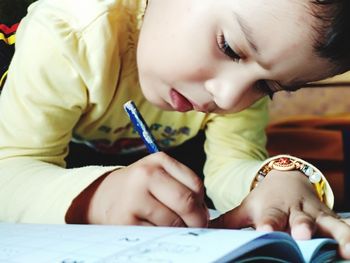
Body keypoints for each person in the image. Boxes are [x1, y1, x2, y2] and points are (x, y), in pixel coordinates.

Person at [1, 0, 350, 259]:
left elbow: (228, 168)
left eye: (267, 87)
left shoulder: (233, 90)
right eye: (229, 47)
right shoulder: (70, 32)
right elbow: (9, 172)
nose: (229, 97)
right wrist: (96, 200)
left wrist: (277, 180)